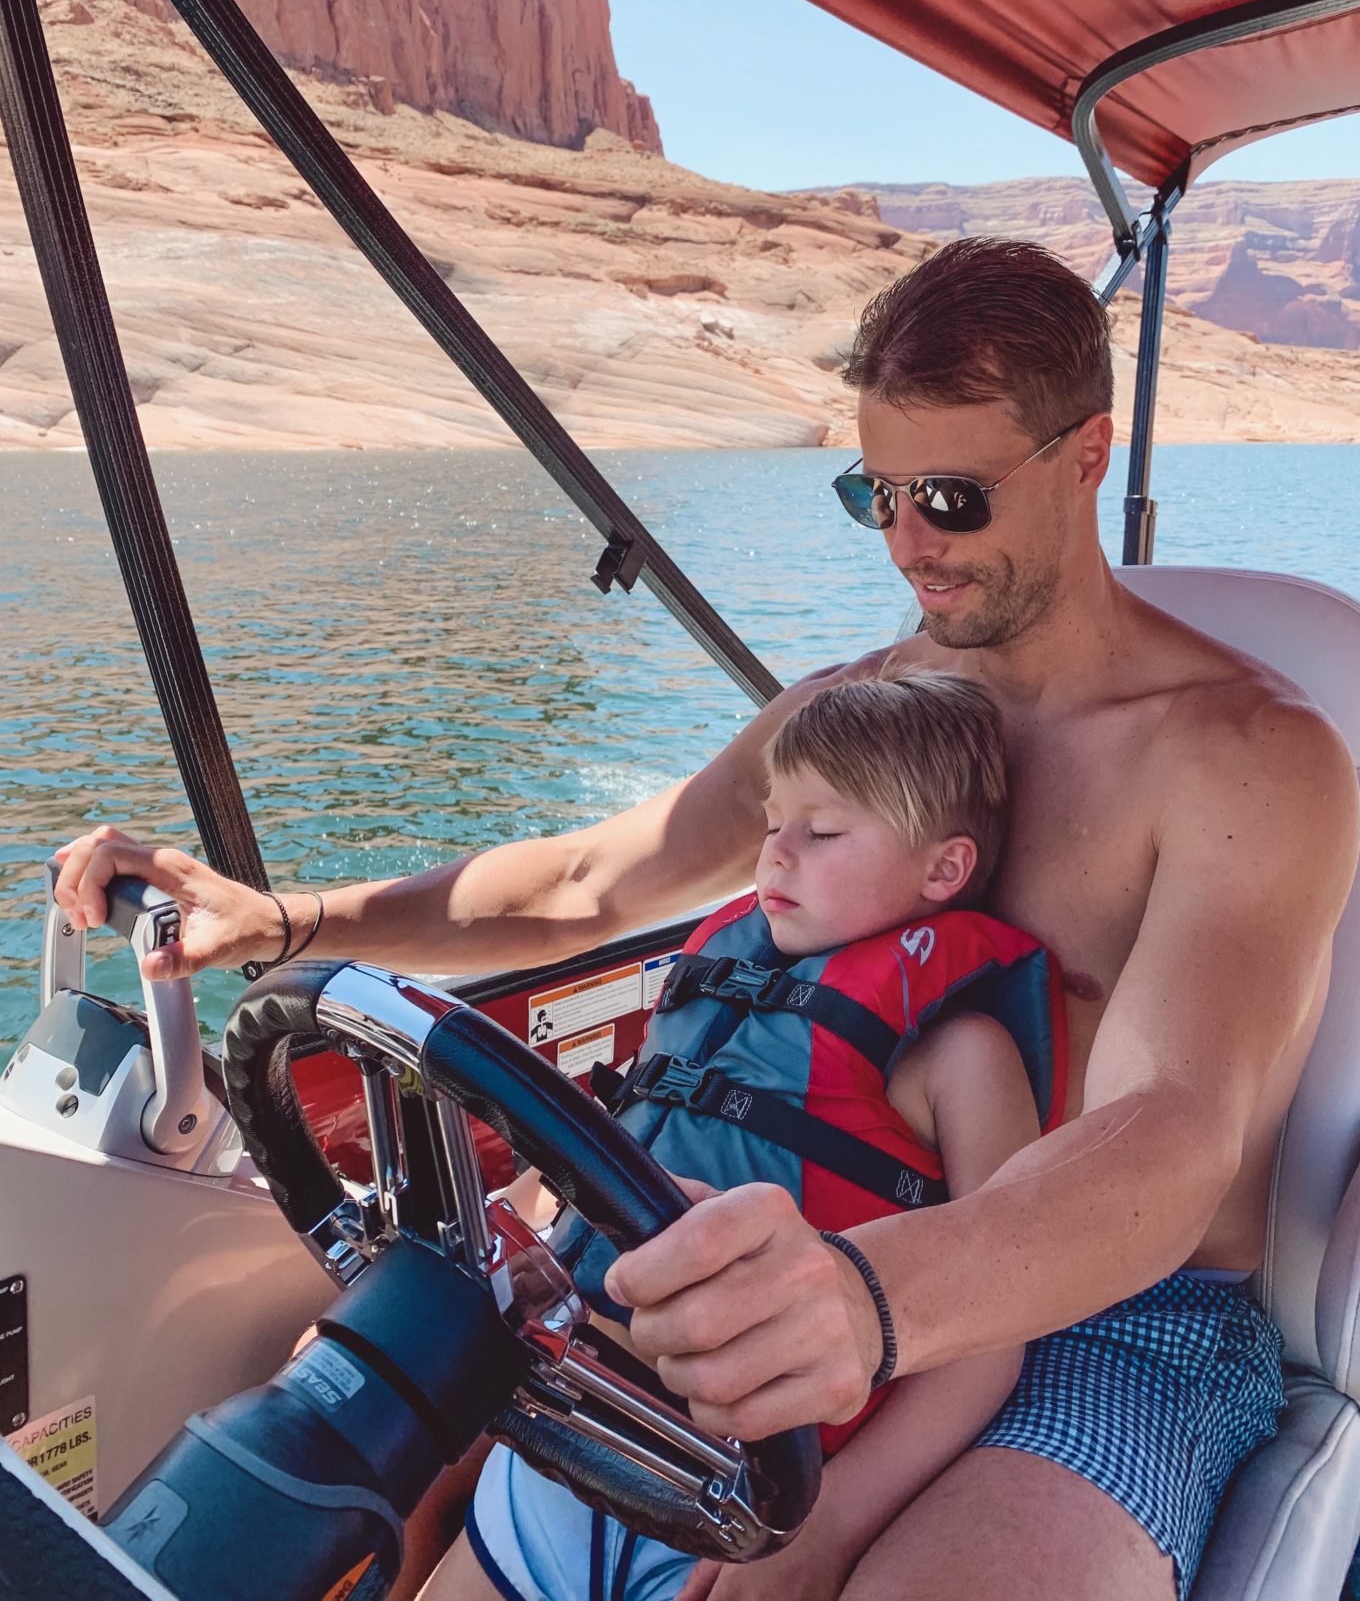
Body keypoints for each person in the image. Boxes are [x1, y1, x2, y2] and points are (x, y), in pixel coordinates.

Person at [54, 238, 1359, 1600]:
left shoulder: (1248, 760)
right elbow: (588, 882)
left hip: (1117, 1320)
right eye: (875, 494)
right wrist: (282, 919)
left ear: (1087, 453)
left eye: (951, 498)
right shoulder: (852, 721)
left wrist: (869, 1296)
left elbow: (1172, 1128)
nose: (907, 543)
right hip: (785, 1247)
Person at [460, 670, 1062, 1601]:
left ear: (944, 870)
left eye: (822, 833)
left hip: (745, 1498)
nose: (775, 856)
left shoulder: (962, 1059)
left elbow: (993, 1332)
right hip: (569, 1426)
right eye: (773, 824)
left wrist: (829, 1529)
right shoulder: (719, 997)